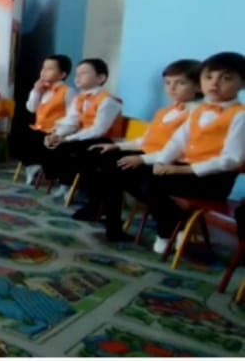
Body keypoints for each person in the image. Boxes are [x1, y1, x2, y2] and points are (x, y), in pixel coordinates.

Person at [86, 59, 202, 241]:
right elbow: (145, 140)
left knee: (119, 171)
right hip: (149, 155)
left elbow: (180, 149)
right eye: (168, 83)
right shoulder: (166, 111)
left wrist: (141, 159)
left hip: (170, 162)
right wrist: (117, 145)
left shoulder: (198, 114)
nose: (172, 88)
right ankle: (110, 222)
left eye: (180, 83)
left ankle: (168, 218)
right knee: (104, 157)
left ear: (198, 86)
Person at [141, 52, 245, 254]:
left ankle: (167, 231)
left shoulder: (240, 116)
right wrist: (162, 162)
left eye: (226, 78)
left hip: (215, 179)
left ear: (242, 83)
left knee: (152, 184)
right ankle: (177, 223)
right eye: (208, 77)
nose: (214, 84)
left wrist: (181, 170)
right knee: (144, 175)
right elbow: (178, 141)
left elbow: (232, 160)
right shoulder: (198, 110)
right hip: (187, 170)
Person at [41, 58, 124, 200]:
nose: (77, 77)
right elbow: (71, 121)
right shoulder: (79, 98)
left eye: (84, 73)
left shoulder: (108, 100)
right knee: (54, 145)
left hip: (104, 141)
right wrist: (57, 134)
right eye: (77, 73)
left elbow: (98, 130)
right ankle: (66, 183)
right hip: (84, 137)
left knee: (68, 149)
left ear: (100, 78)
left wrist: (67, 139)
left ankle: (79, 188)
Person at [13, 54, 75, 184]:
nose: (44, 71)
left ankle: (40, 169)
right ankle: (33, 167)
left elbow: (73, 116)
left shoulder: (68, 91)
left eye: (50, 69)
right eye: (43, 68)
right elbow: (31, 108)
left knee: (37, 140)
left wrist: (59, 132)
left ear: (62, 74)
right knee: (17, 136)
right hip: (39, 128)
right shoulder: (43, 89)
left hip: (55, 131)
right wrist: (36, 91)